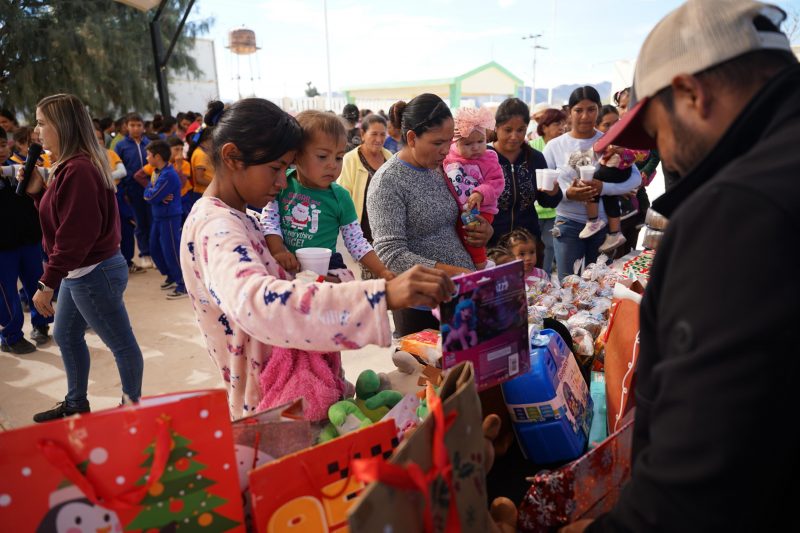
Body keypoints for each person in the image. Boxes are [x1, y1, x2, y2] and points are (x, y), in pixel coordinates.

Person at [559, 2, 800, 531]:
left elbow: (700, 480)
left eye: (657, 132)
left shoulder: (737, 210)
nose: (664, 154)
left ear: (691, 94)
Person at [179, 98, 455, 419]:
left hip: (298, 393)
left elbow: (298, 282)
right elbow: (259, 303)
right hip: (272, 408)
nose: (283, 181)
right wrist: (381, 296)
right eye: (276, 168)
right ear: (231, 157)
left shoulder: (245, 218)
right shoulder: (216, 227)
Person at [19, 94, 143, 422]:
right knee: (65, 334)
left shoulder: (79, 169)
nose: (36, 131)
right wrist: (38, 192)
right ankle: (76, 402)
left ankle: (131, 412)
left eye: (42, 123)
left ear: (62, 126)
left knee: (121, 344)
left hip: (93, 272)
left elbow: (75, 237)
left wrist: (47, 282)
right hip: (82, 271)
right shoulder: (68, 166)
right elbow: (62, 219)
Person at [367, 93, 494, 336]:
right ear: (412, 138)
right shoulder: (388, 182)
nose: (446, 150)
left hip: (460, 295)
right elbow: (391, 254)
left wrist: (484, 230)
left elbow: (456, 217)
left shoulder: (441, 168)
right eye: (437, 143)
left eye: (449, 141)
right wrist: (455, 273)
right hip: (420, 305)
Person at [262, 110, 394, 281]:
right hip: (287, 262)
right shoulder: (281, 184)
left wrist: (383, 272)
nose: (332, 165)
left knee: (339, 283)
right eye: (322, 156)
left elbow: (357, 243)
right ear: (296, 156)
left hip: (326, 265)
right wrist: (279, 251)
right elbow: (269, 222)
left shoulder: (341, 197)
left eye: (339, 158)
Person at [543, 86, 640, 281]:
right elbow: (544, 189)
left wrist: (604, 188)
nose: (585, 116)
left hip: (603, 226)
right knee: (568, 283)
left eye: (591, 109)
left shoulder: (609, 142)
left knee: (599, 284)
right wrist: (567, 193)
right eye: (578, 110)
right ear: (569, 112)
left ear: (599, 110)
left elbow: (635, 178)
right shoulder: (554, 146)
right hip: (567, 224)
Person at [488, 98, 562, 262]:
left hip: (528, 248)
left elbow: (547, 202)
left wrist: (554, 192)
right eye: (508, 130)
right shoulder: (485, 157)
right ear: (496, 127)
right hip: (492, 246)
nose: (514, 136)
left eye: (521, 130)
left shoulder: (535, 158)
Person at [0, 128, 51, 353]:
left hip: (29, 240)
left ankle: (41, 324)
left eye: (3, 145)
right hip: (3, 248)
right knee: (6, 293)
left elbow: (44, 175)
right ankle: (11, 337)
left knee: (36, 283)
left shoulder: (21, 168)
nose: (1, 150)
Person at [442, 106, 505, 270]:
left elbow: (497, 181)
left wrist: (480, 193)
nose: (476, 147)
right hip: (459, 208)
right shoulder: (448, 156)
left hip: (482, 209)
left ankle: (481, 263)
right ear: (455, 143)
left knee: (472, 232)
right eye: (468, 143)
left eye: (480, 141)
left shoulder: (489, 158)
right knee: (460, 233)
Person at [336, 113, 393, 278]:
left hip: (387, 233)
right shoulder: (350, 160)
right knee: (371, 279)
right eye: (374, 134)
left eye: (382, 134)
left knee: (388, 277)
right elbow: (343, 193)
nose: (379, 139)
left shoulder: (390, 158)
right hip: (363, 234)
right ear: (363, 134)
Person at [581, 137, 649, 254]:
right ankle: (614, 234)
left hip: (618, 170)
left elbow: (644, 154)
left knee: (593, 181)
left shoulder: (632, 136)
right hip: (611, 167)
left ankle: (594, 220)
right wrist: (605, 146)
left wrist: (621, 151)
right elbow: (598, 147)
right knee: (609, 196)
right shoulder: (609, 135)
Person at [93, 123, 142, 275]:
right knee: (102, 232)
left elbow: (122, 171)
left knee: (126, 228)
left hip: (116, 195)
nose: (98, 142)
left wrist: (103, 177)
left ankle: (127, 262)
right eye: (94, 138)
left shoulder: (110, 154)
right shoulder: (85, 157)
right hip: (97, 198)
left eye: (100, 138)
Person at [143, 140, 186, 299]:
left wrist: (153, 194)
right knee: (155, 248)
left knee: (171, 250)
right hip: (159, 215)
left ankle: (183, 284)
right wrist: (152, 193)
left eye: (149, 155)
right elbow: (148, 192)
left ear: (158, 157)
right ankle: (171, 275)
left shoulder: (168, 175)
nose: (147, 158)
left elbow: (151, 197)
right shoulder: (156, 172)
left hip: (169, 217)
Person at [528, 107, 567, 274]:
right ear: (544, 127)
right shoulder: (532, 147)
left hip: (553, 209)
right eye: (557, 124)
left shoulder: (563, 147)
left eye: (563, 124)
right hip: (535, 210)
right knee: (533, 247)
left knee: (550, 246)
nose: (562, 128)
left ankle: (545, 277)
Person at [114, 113, 152, 269]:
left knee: (152, 221)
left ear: (143, 127)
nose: (136, 128)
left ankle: (155, 253)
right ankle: (145, 254)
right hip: (132, 190)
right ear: (126, 127)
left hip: (151, 188)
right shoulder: (121, 146)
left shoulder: (149, 143)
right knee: (140, 222)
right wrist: (124, 192)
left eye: (138, 125)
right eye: (132, 125)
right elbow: (118, 168)